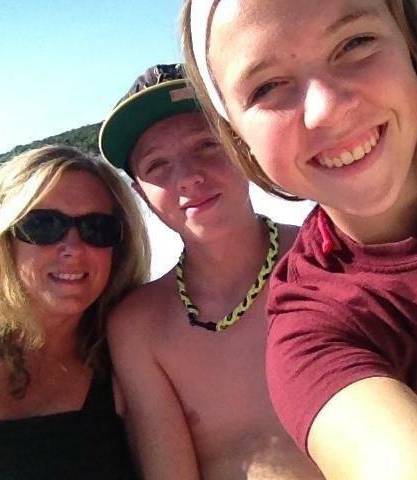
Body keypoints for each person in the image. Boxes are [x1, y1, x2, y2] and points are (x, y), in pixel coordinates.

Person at [181, 0, 417, 478]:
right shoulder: (314, 332)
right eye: (267, 87)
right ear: (238, 137)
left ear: (407, 38)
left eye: (355, 42)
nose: (327, 109)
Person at [100, 64, 323, 480]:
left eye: (205, 144)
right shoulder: (139, 327)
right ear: (141, 194)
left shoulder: (332, 257)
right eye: (157, 165)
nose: (188, 177)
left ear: (243, 146)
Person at [0, 145, 150, 479]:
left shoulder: (131, 360)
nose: (74, 248)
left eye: (97, 227)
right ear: (1, 240)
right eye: (43, 225)